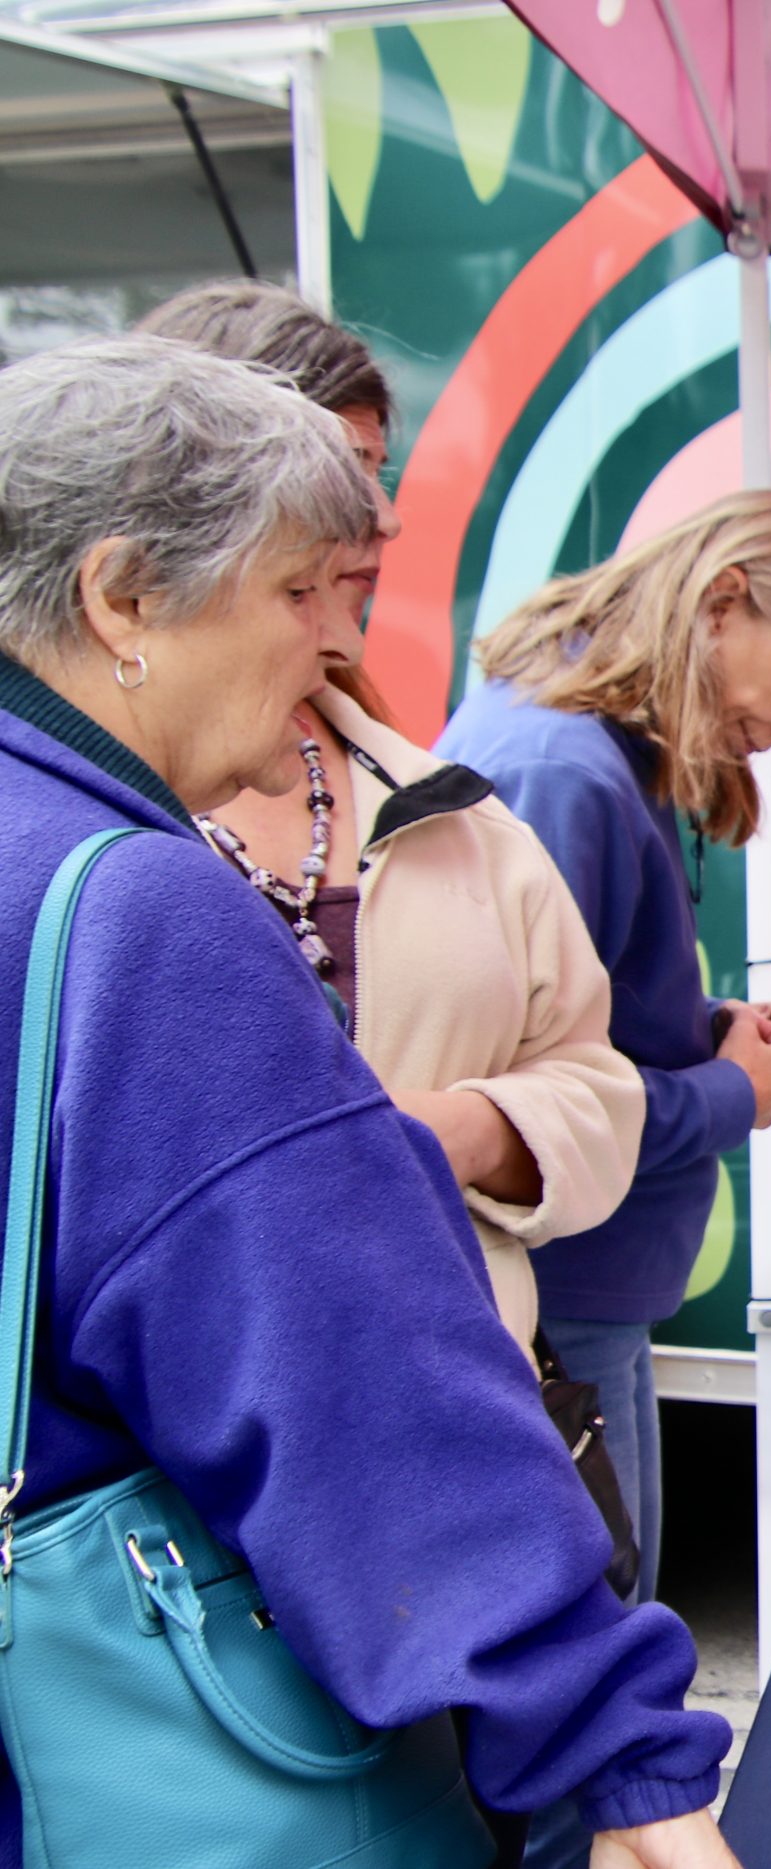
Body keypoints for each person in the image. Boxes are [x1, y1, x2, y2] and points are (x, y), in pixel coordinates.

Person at [0, 334, 739, 1867]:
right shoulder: (142, 906)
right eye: (293, 592)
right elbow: (351, 1374)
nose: (333, 652)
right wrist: (622, 1762)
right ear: (122, 597)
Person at [440, 489, 771, 1866]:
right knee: (576, 1732)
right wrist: (729, 1092)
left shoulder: (592, 756)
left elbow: (573, 1028)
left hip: (588, 1303)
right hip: (560, 1314)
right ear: (722, 603)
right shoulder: (568, 774)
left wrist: (702, 1027)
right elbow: (512, 1114)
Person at [136, 280, 644, 1364]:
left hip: (448, 1400)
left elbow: (594, 1085)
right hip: (171, 1467)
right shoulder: (67, 816)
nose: (382, 518)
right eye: (333, 468)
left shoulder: (441, 799)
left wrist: (470, 1133)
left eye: (375, 468)